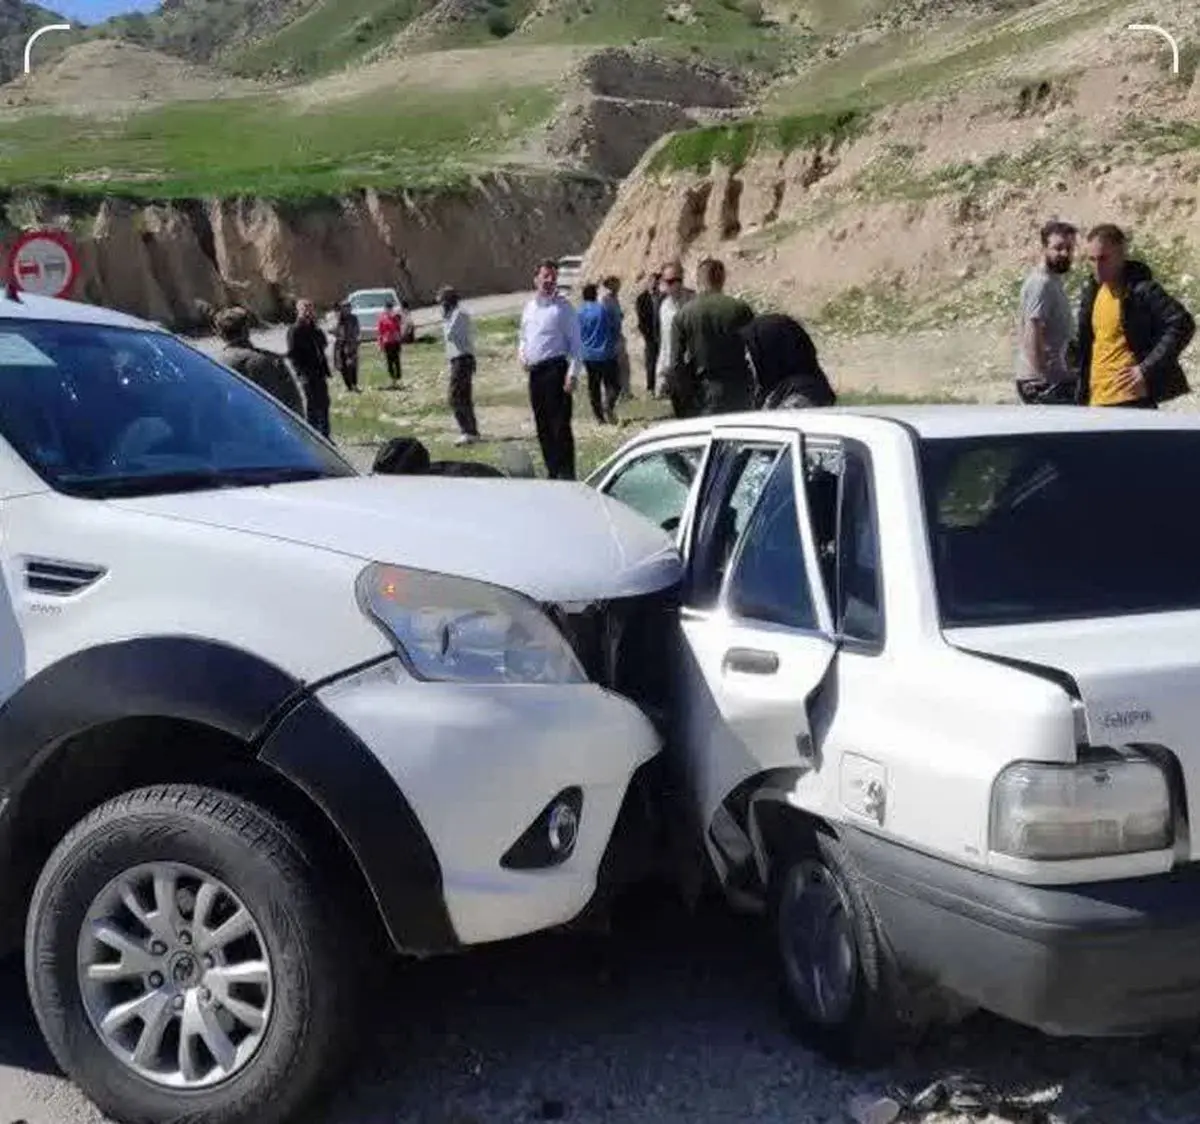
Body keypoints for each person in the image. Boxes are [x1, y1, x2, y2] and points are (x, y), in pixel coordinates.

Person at [1076, 223, 1195, 409]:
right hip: (1096, 399)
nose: (1097, 266)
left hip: (1130, 399)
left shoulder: (1141, 289)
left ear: (1121, 255)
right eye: (1092, 260)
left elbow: (1181, 323)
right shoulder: (1092, 292)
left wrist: (1145, 369)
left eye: (1104, 259)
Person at [518, 258, 582, 480]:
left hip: (556, 371)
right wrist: (522, 354)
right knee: (542, 425)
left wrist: (572, 374)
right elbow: (523, 338)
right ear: (536, 279)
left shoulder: (563, 309)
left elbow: (576, 345)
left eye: (553, 277)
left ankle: (566, 473)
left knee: (560, 426)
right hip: (536, 373)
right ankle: (552, 471)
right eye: (545, 276)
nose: (549, 281)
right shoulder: (529, 308)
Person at [670, 257, 756, 417]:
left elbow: (675, 364)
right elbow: (755, 351)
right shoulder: (740, 309)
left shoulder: (683, 314)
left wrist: (682, 401)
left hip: (703, 390)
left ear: (698, 280)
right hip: (739, 387)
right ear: (722, 278)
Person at [1014, 219, 1078, 405]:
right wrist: (1044, 377)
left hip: (1054, 379)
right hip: (1041, 384)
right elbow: (1033, 329)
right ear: (1044, 249)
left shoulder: (1053, 281)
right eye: (1058, 248)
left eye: (1069, 248)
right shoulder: (1041, 284)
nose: (1065, 253)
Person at [213, 305, 305, 416]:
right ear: (247, 329)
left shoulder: (215, 365)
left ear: (220, 334)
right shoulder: (272, 360)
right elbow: (294, 403)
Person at [742, 311, 837, 409]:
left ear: (773, 351)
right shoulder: (780, 391)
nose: (747, 357)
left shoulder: (799, 399)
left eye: (751, 351)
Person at [286, 298, 332, 437]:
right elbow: (292, 354)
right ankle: (313, 436)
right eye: (305, 309)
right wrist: (301, 374)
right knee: (312, 406)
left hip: (319, 372)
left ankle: (325, 436)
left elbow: (323, 343)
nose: (308, 312)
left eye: (310, 309)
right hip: (306, 374)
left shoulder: (315, 329)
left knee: (324, 403)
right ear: (298, 311)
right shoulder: (295, 330)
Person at [440, 285, 480, 445]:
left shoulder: (459, 314)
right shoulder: (451, 315)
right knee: (462, 396)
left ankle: (468, 430)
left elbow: (449, 334)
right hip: (457, 359)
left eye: (443, 302)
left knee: (455, 396)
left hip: (462, 359)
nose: (441, 306)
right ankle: (471, 431)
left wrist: (445, 317)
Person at [578, 282, 621, 424]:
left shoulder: (579, 312)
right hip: (606, 353)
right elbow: (614, 327)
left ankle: (599, 417)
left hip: (588, 356)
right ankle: (608, 404)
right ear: (595, 295)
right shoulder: (603, 309)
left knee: (593, 386)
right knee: (614, 384)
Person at [655, 260, 693, 413]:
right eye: (669, 281)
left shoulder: (693, 301)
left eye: (677, 281)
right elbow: (665, 342)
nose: (673, 285)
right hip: (673, 368)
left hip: (691, 365)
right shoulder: (664, 306)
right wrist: (660, 373)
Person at [601, 275, 632, 400]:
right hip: (611, 338)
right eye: (616, 283)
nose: (619, 286)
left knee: (624, 366)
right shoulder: (606, 300)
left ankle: (625, 391)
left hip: (618, 335)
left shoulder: (615, 299)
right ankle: (612, 394)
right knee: (614, 367)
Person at [635, 270, 663, 397]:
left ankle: (663, 388)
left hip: (662, 336)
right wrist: (647, 335)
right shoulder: (642, 298)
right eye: (651, 282)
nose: (654, 284)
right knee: (651, 363)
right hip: (650, 336)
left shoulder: (663, 297)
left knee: (662, 363)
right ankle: (650, 388)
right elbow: (641, 319)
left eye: (656, 282)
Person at [332, 301, 361, 393]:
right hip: (340, 345)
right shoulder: (338, 318)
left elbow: (356, 331)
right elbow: (333, 329)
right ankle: (348, 386)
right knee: (342, 366)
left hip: (351, 344)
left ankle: (354, 384)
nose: (347, 309)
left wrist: (355, 340)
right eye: (345, 308)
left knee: (352, 366)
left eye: (348, 307)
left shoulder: (354, 318)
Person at [377, 297, 405, 389]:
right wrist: (380, 344)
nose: (389, 309)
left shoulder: (395, 317)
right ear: (385, 308)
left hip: (395, 342)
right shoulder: (382, 318)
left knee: (396, 361)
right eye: (387, 307)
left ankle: (398, 379)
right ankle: (392, 379)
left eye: (390, 307)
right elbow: (380, 332)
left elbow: (398, 329)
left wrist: (399, 340)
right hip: (387, 342)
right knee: (389, 362)